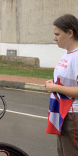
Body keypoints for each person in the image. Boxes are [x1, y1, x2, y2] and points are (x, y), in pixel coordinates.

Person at [45, 14, 78, 155]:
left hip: (73, 115)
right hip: (63, 112)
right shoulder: (67, 53)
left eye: (57, 34)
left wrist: (55, 87)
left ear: (70, 33)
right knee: (63, 152)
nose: (54, 38)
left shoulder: (76, 56)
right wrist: (54, 83)